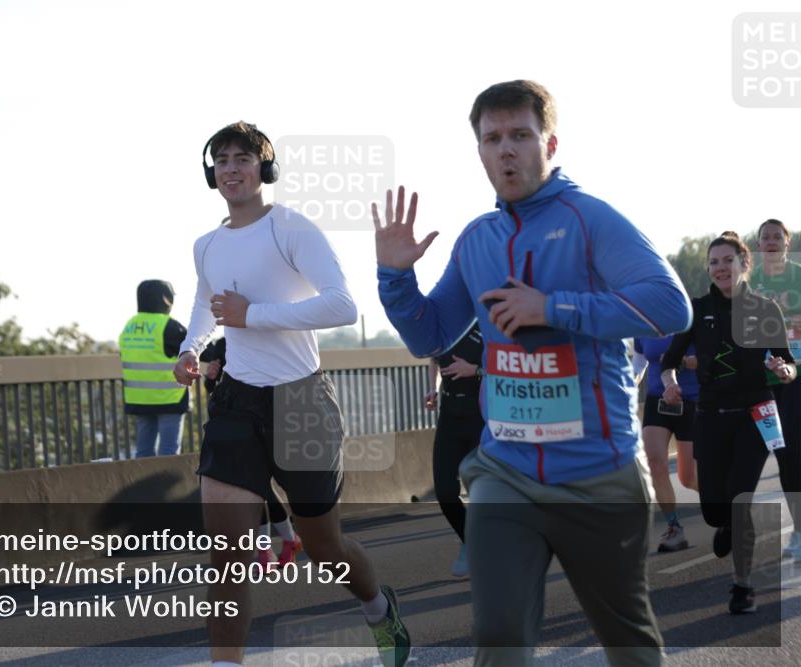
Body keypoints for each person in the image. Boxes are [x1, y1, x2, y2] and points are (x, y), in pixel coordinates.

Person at [375, 80, 692, 666]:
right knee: (497, 634)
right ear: (479, 150)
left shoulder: (591, 219)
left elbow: (671, 306)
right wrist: (395, 278)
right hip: (506, 472)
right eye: (492, 138)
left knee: (627, 641)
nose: (506, 150)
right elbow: (429, 335)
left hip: (598, 474)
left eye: (520, 135)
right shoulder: (477, 238)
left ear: (549, 143)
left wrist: (553, 308)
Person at [174, 121, 410, 667]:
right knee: (226, 556)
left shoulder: (291, 228)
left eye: (242, 159)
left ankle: (378, 608)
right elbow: (205, 305)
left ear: (265, 168)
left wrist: (253, 315)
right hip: (237, 402)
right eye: (222, 161)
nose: (231, 169)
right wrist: (190, 348)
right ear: (211, 173)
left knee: (325, 549)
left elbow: (341, 305)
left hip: (302, 401)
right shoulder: (206, 245)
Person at [663, 232, 797, 613]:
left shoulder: (766, 309)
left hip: (755, 414)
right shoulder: (697, 309)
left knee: (740, 501)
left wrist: (783, 370)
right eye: (714, 262)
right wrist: (670, 382)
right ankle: (723, 523)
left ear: (744, 264)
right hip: (710, 416)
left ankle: (742, 585)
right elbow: (669, 361)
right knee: (713, 510)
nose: (720, 268)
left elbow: (789, 364)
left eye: (728, 260)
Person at [200, 337, 304, 568]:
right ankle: (280, 543)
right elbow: (213, 389)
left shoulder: (273, 339)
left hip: (272, 420)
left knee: (259, 486)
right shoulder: (223, 344)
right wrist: (211, 377)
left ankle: (275, 545)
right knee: (258, 486)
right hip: (235, 425)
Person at [749, 218, 801, 561]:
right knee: (783, 455)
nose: (770, 242)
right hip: (760, 380)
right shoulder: (748, 281)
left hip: (796, 375)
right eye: (765, 237)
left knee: (794, 452)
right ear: (758, 244)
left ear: (787, 242)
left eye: (776, 237)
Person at [423, 321, 485, 577]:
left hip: (482, 415)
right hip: (449, 416)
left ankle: (486, 545)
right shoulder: (444, 324)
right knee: (445, 492)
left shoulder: (486, 322)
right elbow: (434, 359)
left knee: (483, 491)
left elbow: (506, 367)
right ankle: (470, 540)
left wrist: (476, 370)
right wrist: (431, 388)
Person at [632, 335, 699, 551]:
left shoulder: (690, 322)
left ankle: (725, 504)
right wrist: (629, 383)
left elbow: (711, 357)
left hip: (691, 400)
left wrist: (680, 361)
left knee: (688, 478)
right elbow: (639, 363)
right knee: (654, 464)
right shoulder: (643, 327)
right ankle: (674, 527)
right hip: (657, 400)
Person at [119, 279, 188, 458]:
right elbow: (197, 349)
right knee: (168, 454)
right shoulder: (169, 326)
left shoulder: (130, 326)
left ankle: (143, 478)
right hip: (169, 399)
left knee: (143, 453)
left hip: (140, 399)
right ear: (167, 300)